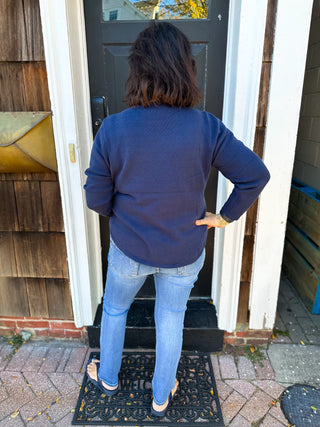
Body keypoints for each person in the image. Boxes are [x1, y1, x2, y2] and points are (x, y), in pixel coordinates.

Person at [84, 21, 270, 417]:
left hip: (128, 248)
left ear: (137, 70)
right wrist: (223, 217)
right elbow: (254, 175)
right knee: (170, 316)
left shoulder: (114, 128)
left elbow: (95, 198)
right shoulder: (206, 127)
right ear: (185, 69)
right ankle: (160, 396)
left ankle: (109, 378)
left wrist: (124, 215)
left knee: (115, 309)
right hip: (185, 249)